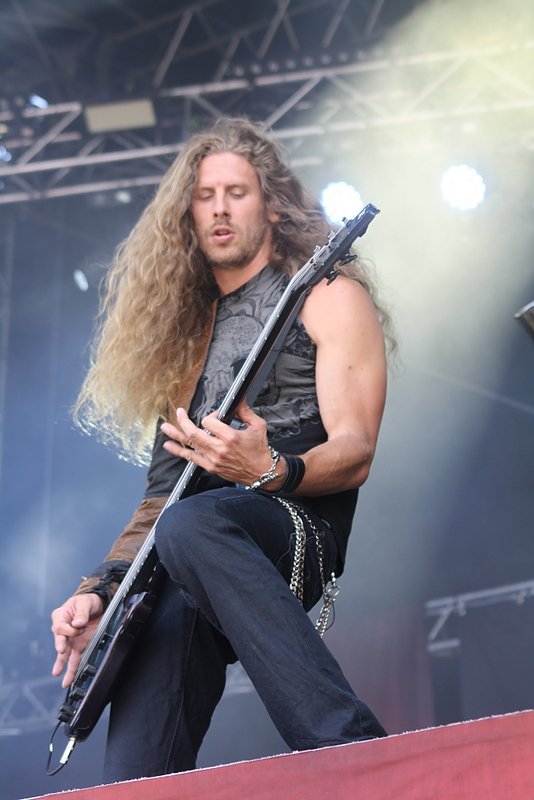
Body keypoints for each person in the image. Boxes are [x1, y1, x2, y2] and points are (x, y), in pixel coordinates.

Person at [50, 117, 392, 782]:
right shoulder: (185, 341)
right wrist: (102, 588)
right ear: (187, 214)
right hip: (189, 546)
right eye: (204, 196)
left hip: (294, 529)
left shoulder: (327, 295)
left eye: (236, 192)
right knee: (136, 769)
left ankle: (352, 750)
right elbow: (161, 499)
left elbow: (356, 451)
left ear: (272, 203)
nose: (220, 209)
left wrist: (270, 468)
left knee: (195, 523)